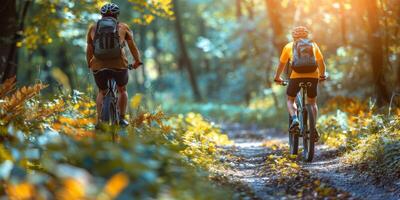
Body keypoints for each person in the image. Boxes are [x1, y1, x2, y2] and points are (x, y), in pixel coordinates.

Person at [86, 3, 142, 127]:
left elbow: (89, 49)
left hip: (98, 66)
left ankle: (100, 120)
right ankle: (121, 118)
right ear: (117, 15)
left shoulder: (93, 28)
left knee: (101, 91)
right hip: (119, 65)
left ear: (102, 15)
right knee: (122, 90)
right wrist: (137, 61)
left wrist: (89, 63)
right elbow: (132, 46)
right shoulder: (123, 27)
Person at [273, 26, 327, 136]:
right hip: (313, 76)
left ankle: (295, 119)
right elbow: (321, 63)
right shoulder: (313, 45)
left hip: (296, 77)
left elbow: (281, 65)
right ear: (307, 36)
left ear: (293, 37)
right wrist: (322, 75)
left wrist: (277, 77)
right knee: (312, 102)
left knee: (290, 100)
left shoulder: (288, 46)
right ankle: (313, 127)